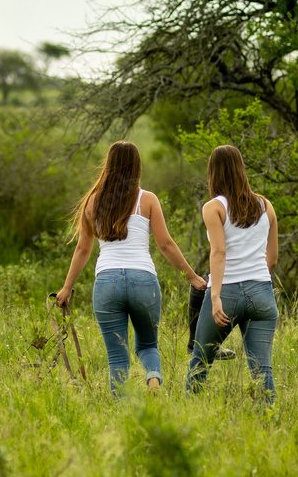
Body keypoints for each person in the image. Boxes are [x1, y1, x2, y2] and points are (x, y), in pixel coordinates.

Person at [55, 141, 207, 395]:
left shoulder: (93, 201)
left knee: (117, 359)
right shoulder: (147, 199)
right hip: (143, 281)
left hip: (107, 283)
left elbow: (83, 249)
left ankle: (121, 414)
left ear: (109, 165)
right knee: (148, 344)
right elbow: (166, 244)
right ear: (137, 166)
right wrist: (192, 277)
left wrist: (66, 287)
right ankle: (154, 380)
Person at [186, 145, 279, 403]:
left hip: (226, 291)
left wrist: (215, 297)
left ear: (213, 172)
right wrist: (257, 285)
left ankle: (189, 416)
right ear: (241, 169)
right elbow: (272, 260)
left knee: (200, 361)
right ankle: (270, 420)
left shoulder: (213, 207)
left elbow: (219, 253)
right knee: (262, 370)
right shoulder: (266, 205)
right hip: (261, 291)